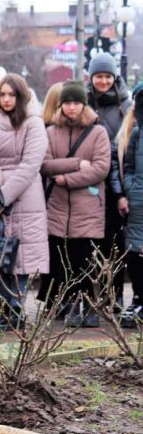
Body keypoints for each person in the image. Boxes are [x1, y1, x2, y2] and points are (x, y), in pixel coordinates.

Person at [39, 81, 111, 327]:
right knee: (63, 259)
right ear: (61, 105)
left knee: (87, 260)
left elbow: (101, 168)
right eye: (67, 103)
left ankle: (89, 307)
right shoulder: (50, 132)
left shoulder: (98, 132)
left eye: (76, 102)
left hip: (88, 207)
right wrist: (78, 164)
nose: (72, 107)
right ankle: (66, 304)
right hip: (57, 208)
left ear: (84, 104)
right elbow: (46, 165)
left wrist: (66, 178)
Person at [0, 74, 48, 330]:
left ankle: (15, 308)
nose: (7, 99)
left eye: (12, 95)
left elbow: (30, 165)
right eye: (3, 95)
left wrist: (4, 195)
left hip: (23, 197)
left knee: (20, 254)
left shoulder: (33, 124)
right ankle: (3, 306)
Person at [86, 52, 132, 307]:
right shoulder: (84, 103)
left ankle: (112, 296)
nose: (103, 81)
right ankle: (93, 296)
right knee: (92, 243)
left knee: (115, 243)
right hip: (90, 185)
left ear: (114, 77)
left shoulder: (125, 106)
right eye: (98, 76)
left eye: (107, 76)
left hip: (116, 186)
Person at [119, 85, 143, 326]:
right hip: (138, 202)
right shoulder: (137, 133)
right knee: (135, 253)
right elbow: (128, 166)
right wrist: (132, 189)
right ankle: (138, 296)